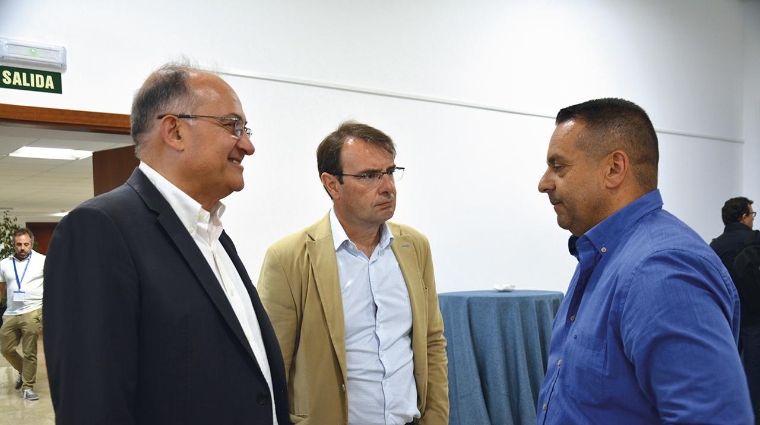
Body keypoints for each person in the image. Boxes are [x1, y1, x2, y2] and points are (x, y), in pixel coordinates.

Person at [43, 63, 289, 425]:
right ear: (174, 131)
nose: (247, 145)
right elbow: (93, 407)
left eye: (246, 129)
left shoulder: (215, 236)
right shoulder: (99, 229)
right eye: (232, 126)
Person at [536, 98, 753, 424]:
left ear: (614, 169)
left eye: (559, 166)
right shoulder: (606, 256)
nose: (544, 183)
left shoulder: (660, 271)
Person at [257, 121, 448, 425]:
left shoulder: (415, 247)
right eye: (370, 176)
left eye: (390, 172)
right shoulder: (288, 258)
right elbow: (270, 367)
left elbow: (432, 342)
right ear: (332, 184)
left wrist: (436, 419)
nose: (388, 187)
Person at [711, 196, 760, 422]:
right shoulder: (753, 241)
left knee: (727, 372)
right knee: (754, 375)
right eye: (752, 214)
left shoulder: (713, 247)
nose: (752, 219)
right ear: (744, 217)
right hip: (753, 319)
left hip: (724, 320)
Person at [0, 228, 44, 401]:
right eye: (19, 244)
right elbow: (1, 289)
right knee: (5, 349)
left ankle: (28, 386)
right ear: (14, 245)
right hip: (11, 312)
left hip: (33, 310)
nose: (22, 248)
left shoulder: (42, 261)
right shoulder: (4, 263)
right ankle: (22, 370)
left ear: (31, 244)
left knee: (29, 351)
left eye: (26, 244)